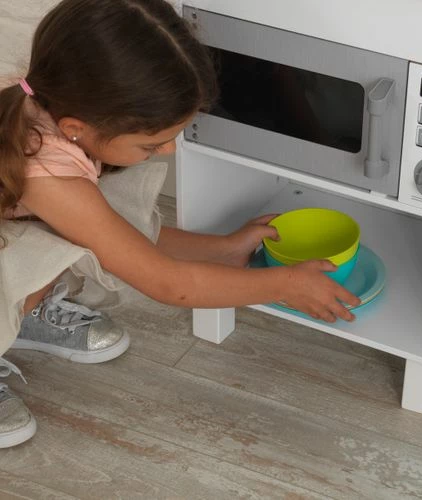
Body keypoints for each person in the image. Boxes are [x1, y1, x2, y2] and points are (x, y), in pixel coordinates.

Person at [0, 0, 360, 449]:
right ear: (77, 127)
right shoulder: (47, 173)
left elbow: (119, 236)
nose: (168, 152)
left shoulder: (49, 106)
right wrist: (284, 285)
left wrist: (224, 248)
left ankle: (23, 313)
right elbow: (168, 283)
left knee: (83, 222)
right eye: (152, 144)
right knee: (44, 245)